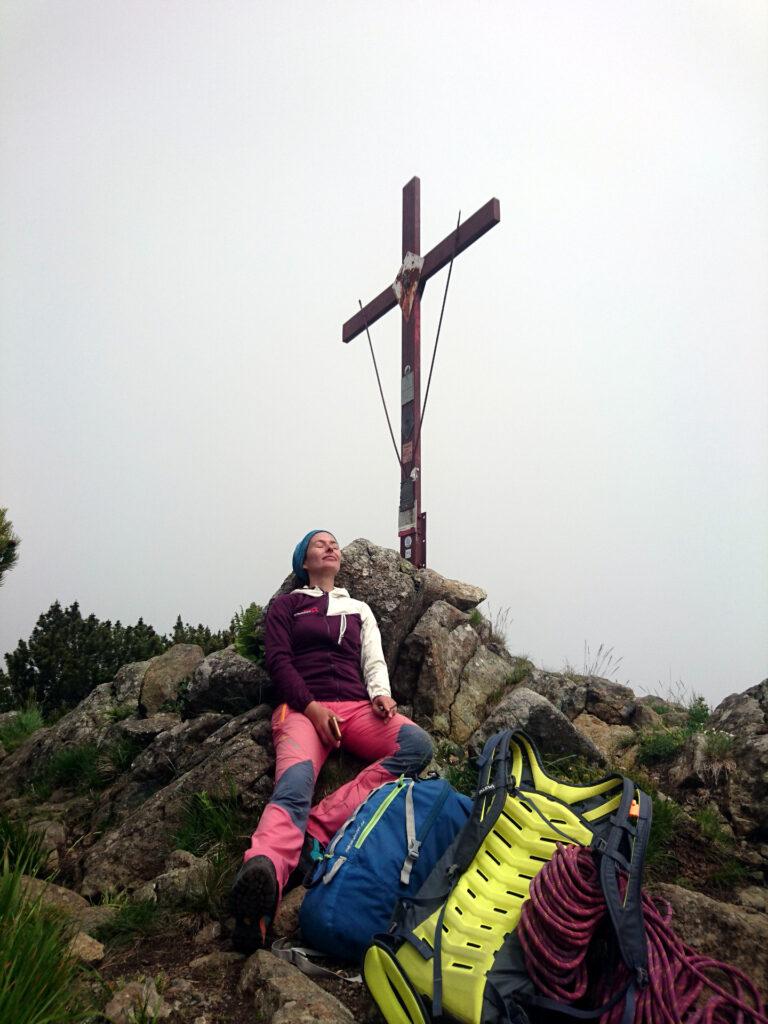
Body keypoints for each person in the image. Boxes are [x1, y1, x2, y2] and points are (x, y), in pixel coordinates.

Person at [232, 530, 434, 951]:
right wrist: (311, 707)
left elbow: (372, 657)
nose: (331, 547)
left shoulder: (359, 608)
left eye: (334, 543)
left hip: (357, 708)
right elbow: (279, 662)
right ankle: (265, 871)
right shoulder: (286, 606)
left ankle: (319, 830)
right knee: (293, 786)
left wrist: (379, 693)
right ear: (303, 562)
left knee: (417, 746)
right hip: (303, 708)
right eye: (319, 543)